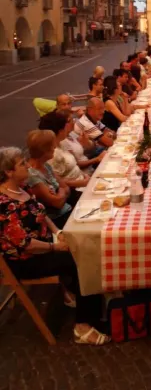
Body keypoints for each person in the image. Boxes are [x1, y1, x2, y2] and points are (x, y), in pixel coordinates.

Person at [0, 147, 110, 345]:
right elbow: (25, 245)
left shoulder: (20, 188)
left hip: (43, 245)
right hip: (26, 260)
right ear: (8, 172)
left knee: (81, 246)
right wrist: (55, 247)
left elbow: (41, 215)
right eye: (22, 164)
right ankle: (83, 326)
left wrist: (58, 233)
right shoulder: (4, 204)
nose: (27, 166)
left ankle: (91, 298)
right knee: (82, 258)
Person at [26, 130, 72, 228]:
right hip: (57, 221)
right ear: (44, 150)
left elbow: (67, 188)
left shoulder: (46, 165)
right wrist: (62, 191)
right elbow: (57, 204)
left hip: (68, 210)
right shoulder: (32, 175)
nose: (55, 148)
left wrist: (59, 193)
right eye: (53, 146)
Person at [39, 111, 90, 195]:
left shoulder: (62, 143)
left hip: (83, 182)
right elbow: (57, 181)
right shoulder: (52, 154)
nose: (67, 127)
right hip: (76, 191)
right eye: (65, 126)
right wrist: (83, 182)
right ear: (60, 131)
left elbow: (75, 166)